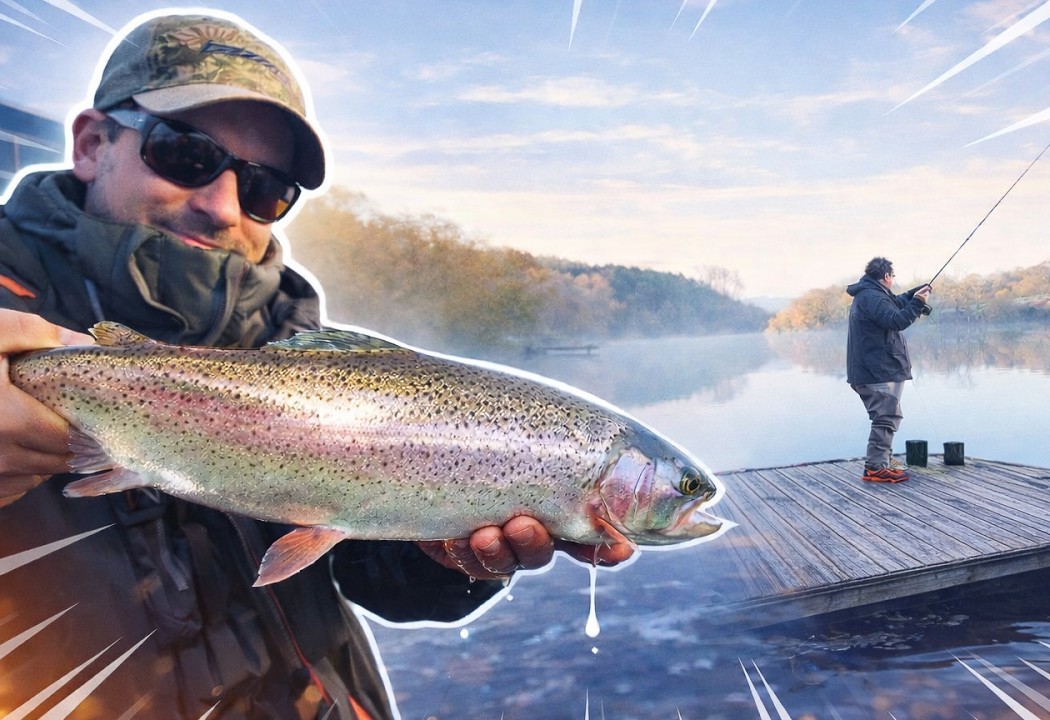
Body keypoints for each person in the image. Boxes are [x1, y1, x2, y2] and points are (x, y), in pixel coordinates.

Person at [0, 11, 630, 719]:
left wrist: (441, 549)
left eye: (265, 187)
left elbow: (368, 575)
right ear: (92, 144)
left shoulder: (325, 365)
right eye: (185, 155)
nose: (221, 206)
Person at [845, 257, 931, 483]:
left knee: (887, 416)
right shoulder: (872, 297)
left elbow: (894, 305)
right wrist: (918, 303)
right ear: (886, 277)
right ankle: (875, 467)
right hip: (877, 371)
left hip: (876, 369)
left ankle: (882, 462)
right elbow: (897, 320)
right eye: (892, 276)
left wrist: (914, 294)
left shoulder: (872, 294)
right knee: (886, 416)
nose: (893, 280)